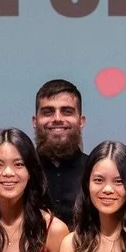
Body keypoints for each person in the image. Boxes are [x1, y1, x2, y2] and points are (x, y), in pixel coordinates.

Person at [33, 79, 87, 221]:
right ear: (35, 121)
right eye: (48, 112)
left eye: (67, 111)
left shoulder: (95, 172)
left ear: (81, 121)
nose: (57, 118)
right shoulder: (21, 171)